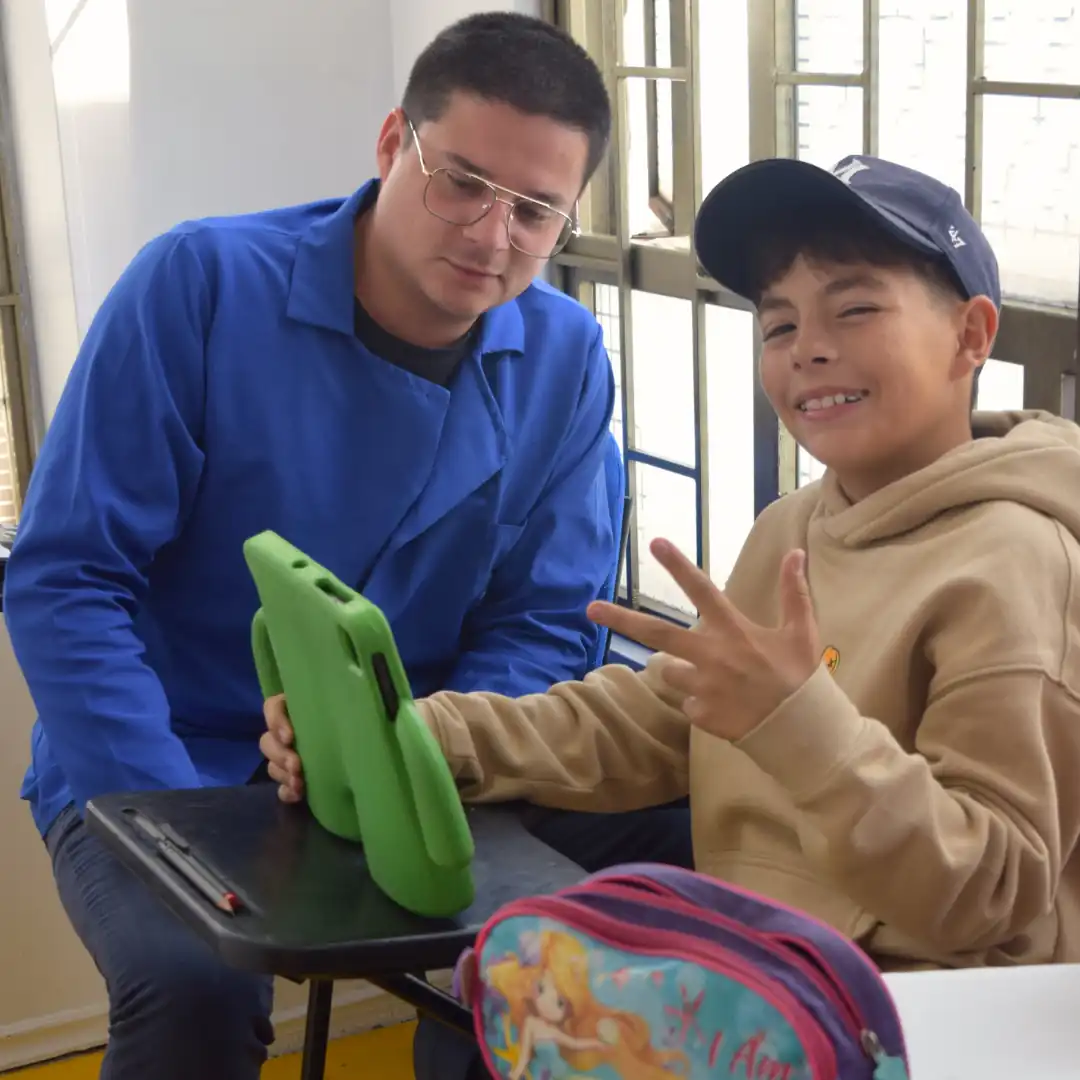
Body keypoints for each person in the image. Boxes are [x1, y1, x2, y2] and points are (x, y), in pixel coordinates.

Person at [4, 14, 688, 1080]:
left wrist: (427, 752)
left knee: (639, 873)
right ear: (390, 145)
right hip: (167, 756)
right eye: (460, 181)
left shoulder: (565, 356)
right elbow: (68, 578)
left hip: (429, 761)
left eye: (536, 210)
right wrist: (169, 814)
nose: (491, 233)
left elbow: (546, 622)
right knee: (197, 981)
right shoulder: (199, 284)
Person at [265, 152, 1080, 973]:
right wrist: (418, 734)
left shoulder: (1015, 560)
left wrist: (798, 722)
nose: (810, 351)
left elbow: (991, 891)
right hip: (759, 975)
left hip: (912, 1015)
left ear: (970, 336)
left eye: (857, 308)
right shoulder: (794, 525)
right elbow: (659, 719)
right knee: (492, 991)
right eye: (780, 325)